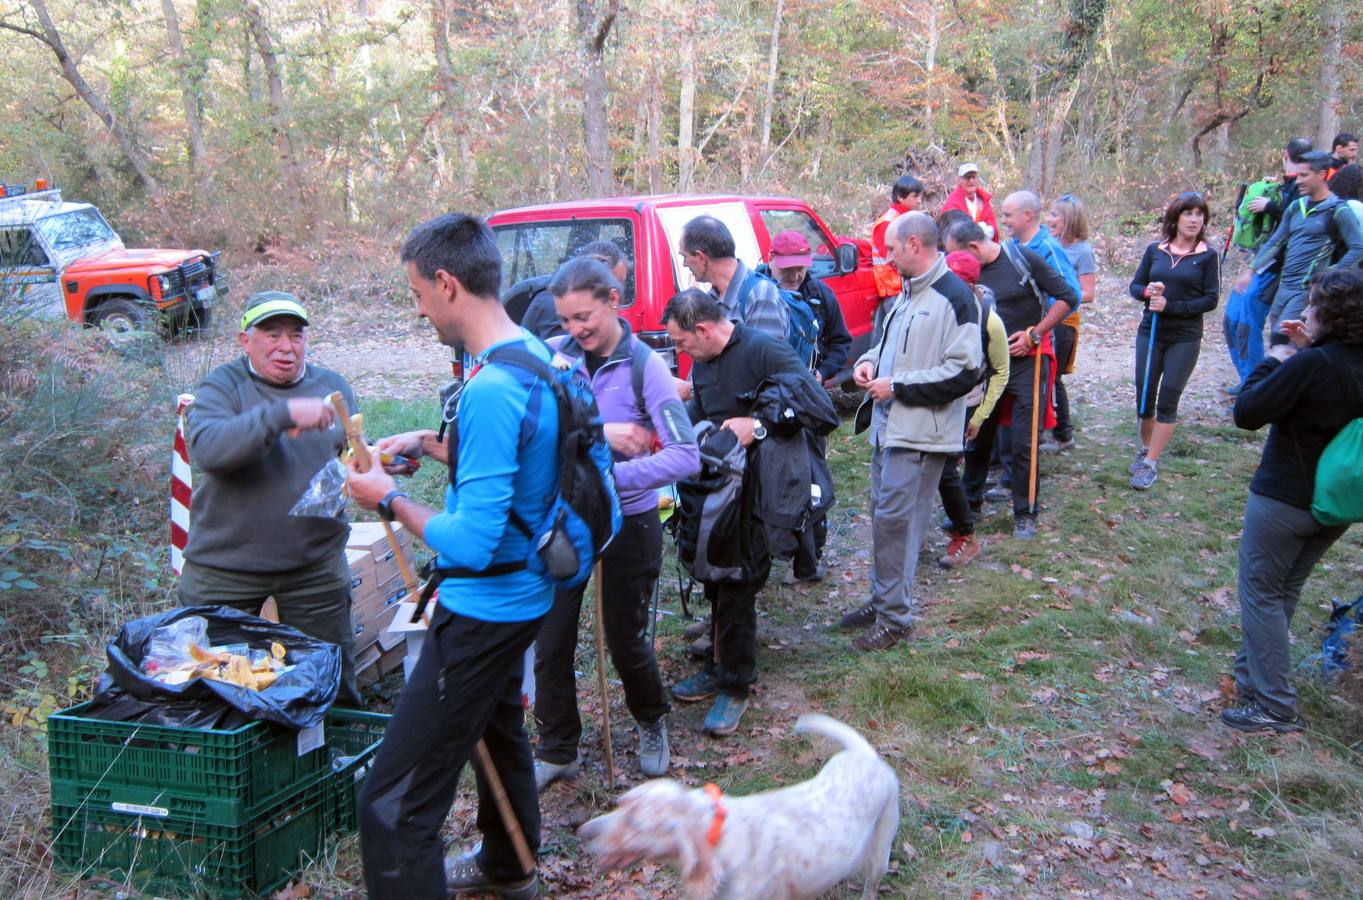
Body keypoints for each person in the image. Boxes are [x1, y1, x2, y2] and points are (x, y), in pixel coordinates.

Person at [350, 213, 558, 899]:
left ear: (446, 283)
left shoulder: (493, 387)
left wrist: (385, 500)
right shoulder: (529, 353)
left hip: (482, 612)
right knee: (500, 733)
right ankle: (509, 864)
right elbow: (521, 470)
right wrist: (433, 444)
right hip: (525, 594)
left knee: (392, 804)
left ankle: (500, 866)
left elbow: (469, 539)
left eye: (415, 293)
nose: (416, 310)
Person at [531, 257, 699, 789]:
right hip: (564, 523)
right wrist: (603, 433)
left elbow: (685, 456)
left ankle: (651, 721)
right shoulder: (554, 360)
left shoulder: (644, 365)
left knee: (625, 638)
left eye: (584, 315)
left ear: (611, 299)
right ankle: (558, 746)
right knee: (551, 639)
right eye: (565, 320)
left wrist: (609, 482)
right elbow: (538, 433)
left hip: (630, 521)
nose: (576, 329)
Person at [179, 290, 363, 708]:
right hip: (225, 568)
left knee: (331, 678)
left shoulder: (332, 387)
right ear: (246, 340)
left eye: (296, 335)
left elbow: (349, 456)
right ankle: (229, 768)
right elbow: (210, 451)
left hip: (315, 566)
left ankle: (338, 765)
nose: (286, 346)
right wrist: (281, 415)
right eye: (272, 334)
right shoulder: (223, 386)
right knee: (211, 684)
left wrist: (376, 466)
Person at [665, 289, 835, 735]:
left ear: (703, 329)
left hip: (765, 488)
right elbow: (704, 408)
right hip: (718, 486)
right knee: (713, 574)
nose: (681, 353)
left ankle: (736, 684)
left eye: (682, 343)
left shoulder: (764, 350)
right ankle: (719, 661)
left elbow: (820, 408)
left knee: (738, 581)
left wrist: (758, 425)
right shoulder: (703, 361)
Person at [1222, 268, 1363, 733]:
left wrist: (1277, 356)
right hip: (1335, 504)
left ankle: (1276, 705)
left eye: (1312, 305)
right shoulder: (1347, 360)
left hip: (1285, 499)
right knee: (1282, 591)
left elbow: (1247, 411)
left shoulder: (1311, 364)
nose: (1305, 311)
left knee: (1261, 593)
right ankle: (1253, 682)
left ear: (1330, 314)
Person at [838, 212, 981, 650]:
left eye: (893, 248)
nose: (888, 256)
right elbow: (895, 342)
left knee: (901, 523)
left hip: (922, 433)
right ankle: (883, 601)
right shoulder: (909, 289)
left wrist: (897, 386)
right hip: (889, 427)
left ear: (915, 244)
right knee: (885, 519)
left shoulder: (954, 297)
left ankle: (895, 620)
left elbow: (966, 372)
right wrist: (870, 361)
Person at [943, 219, 1078, 538]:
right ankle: (969, 503)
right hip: (984, 366)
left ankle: (1025, 512)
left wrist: (1036, 333)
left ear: (974, 248)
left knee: (1022, 440)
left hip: (1026, 362)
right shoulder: (961, 273)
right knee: (977, 433)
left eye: (955, 255)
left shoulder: (1022, 259)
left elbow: (1067, 296)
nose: (952, 264)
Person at [758, 228, 853, 583]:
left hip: (808, 404)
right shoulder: (758, 292)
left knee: (812, 475)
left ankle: (812, 555)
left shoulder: (820, 294)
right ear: (771, 262)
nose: (795, 274)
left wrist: (823, 373)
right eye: (787, 268)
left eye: (801, 267)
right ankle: (772, 549)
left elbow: (841, 342)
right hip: (768, 404)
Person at [1126, 193, 1220, 491]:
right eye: (1188, 214)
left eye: (1199, 214)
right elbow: (1135, 285)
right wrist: (1148, 292)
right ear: (1175, 218)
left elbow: (1211, 299)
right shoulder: (1155, 250)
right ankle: (1145, 448)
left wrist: (1172, 306)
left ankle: (1151, 462)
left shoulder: (1208, 256)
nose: (1194, 219)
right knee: (1144, 394)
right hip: (1150, 330)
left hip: (1185, 336)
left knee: (1168, 397)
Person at [936, 250, 1009, 568]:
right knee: (941, 467)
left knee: (949, 467)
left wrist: (979, 417)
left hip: (969, 403)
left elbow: (1001, 371)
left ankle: (965, 532)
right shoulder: (937, 307)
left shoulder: (989, 320)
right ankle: (959, 519)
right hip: (937, 399)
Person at [1225, 137, 1314, 390]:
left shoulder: (1306, 192)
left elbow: (1293, 222)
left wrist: (1271, 207)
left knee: (1246, 324)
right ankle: (1248, 380)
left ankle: (1255, 385)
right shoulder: (1286, 186)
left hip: (1277, 269)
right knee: (1232, 319)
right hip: (1260, 262)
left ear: (1285, 154)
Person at [1251, 151, 1363, 345]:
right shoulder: (1296, 207)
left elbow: (1358, 247)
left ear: (1321, 175)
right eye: (1298, 175)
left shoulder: (1338, 209)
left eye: (1304, 175)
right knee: (1280, 340)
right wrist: (1251, 270)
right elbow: (1276, 241)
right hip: (1284, 286)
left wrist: (1328, 275)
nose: (1297, 181)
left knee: (1282, 339)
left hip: (1306, 289)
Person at [1042, 194, 1097, 452]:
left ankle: (1063, 435)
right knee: (1041, 375)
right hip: (1042, 318)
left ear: (1070, 220)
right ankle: (1043, 428)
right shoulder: (1047, 243)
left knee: (1054, 378)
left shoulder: (1083, 251)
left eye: (1055, 215)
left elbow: (1088, 292)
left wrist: (1059, 295)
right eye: (1050, 214)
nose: (1049, 219)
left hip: (1065, 322)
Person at [678, 214, 789, 340]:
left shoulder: (761, 295)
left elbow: (764, 358)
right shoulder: (711, 298)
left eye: (684, 256)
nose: (684, 264)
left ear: (701, 258)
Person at [521, 239, 631, 341]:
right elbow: (567, 358)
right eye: (614, 283)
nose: (618, 293)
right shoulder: (556, 303)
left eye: (621, 283)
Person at [871, 175, 925, 300]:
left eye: (920, 196)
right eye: (915, 196)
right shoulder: (886, 224)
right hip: (893, 289)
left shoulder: (908, 218)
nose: (919, 201)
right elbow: (892, 259)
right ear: (900, 197)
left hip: (907, 285)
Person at [940, 163, 998, 240]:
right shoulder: (952, 202)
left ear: (978, 179)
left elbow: (991, 220)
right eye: (967, 177)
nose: (971, 181)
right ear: (959, 181)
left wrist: (991, 230)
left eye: (973, 177)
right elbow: (952, 231)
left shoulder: (983, 199)